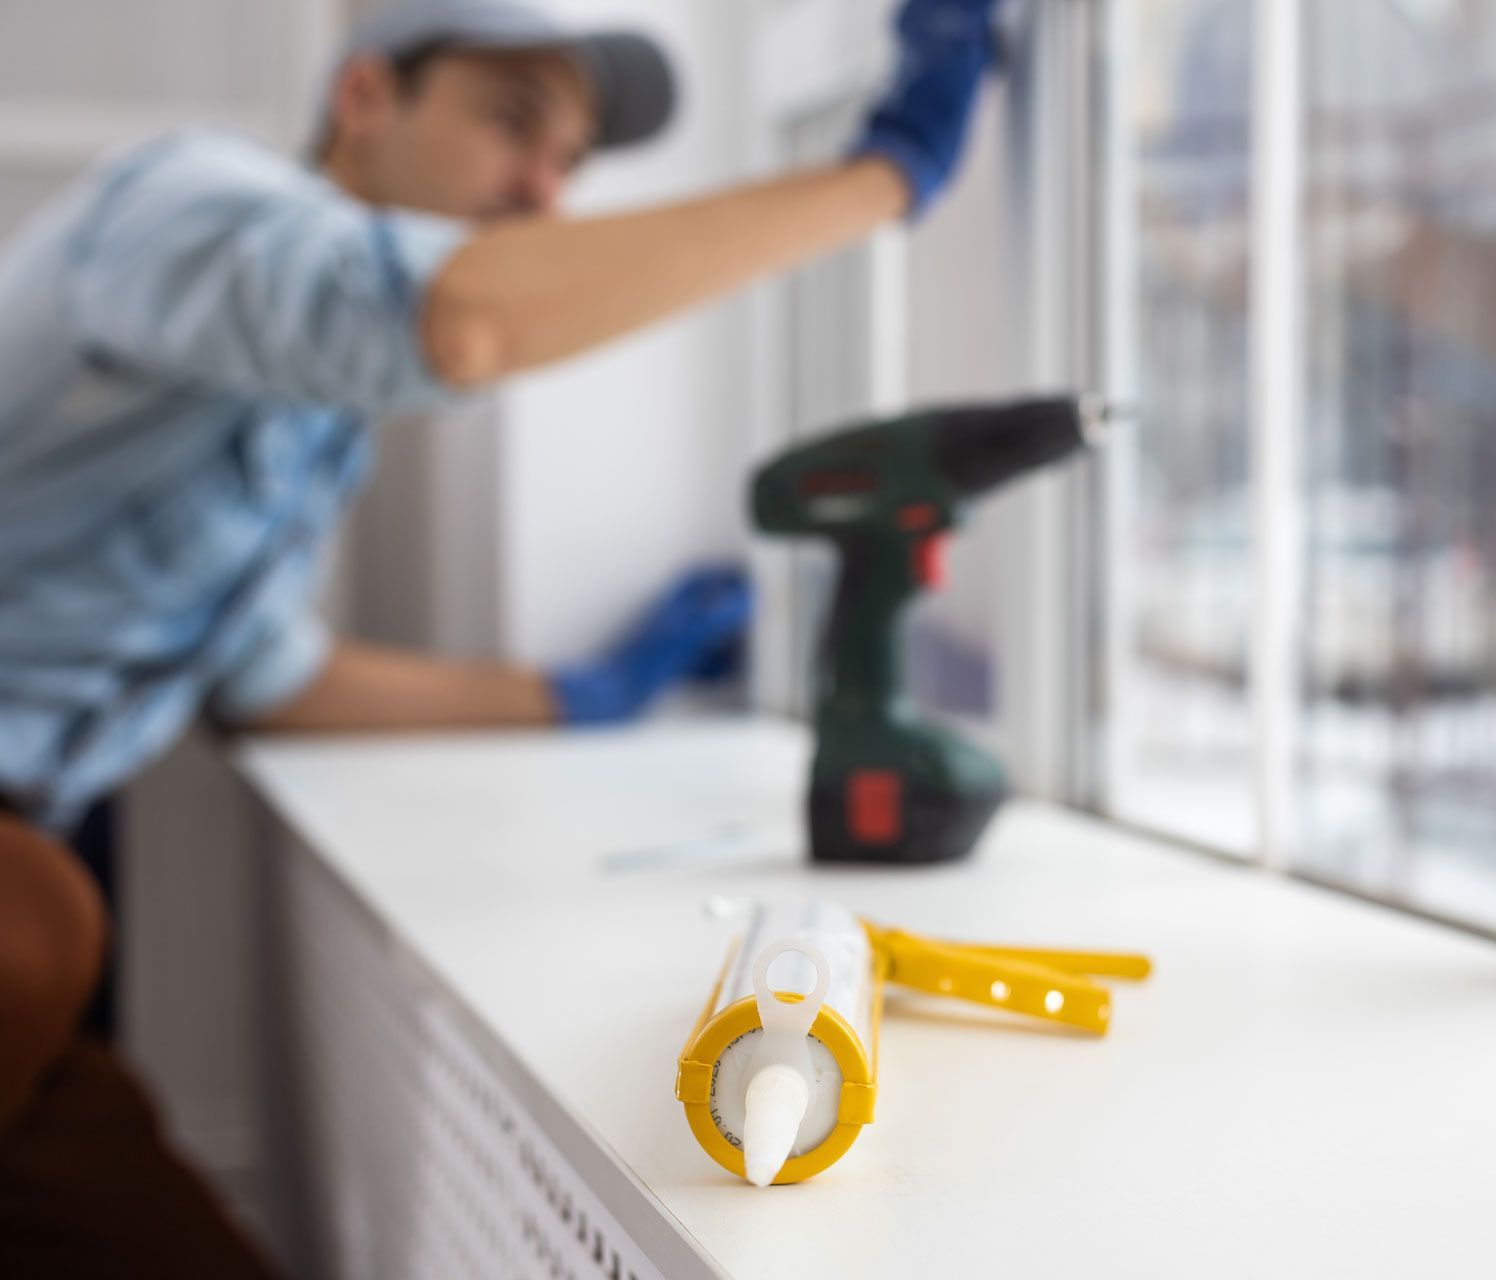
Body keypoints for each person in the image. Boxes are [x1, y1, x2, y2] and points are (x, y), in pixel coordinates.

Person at [0, 0, 1002, 1272]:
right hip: (27, 891)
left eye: (574, 161)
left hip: (43, 844)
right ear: (365, 98)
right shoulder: (182, 208)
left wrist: (580, 694)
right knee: (39, 920)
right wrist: (881, 178)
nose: (545, 187)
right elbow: (463, 321)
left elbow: (265, 678)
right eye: (512, 122)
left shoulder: (312, 412)